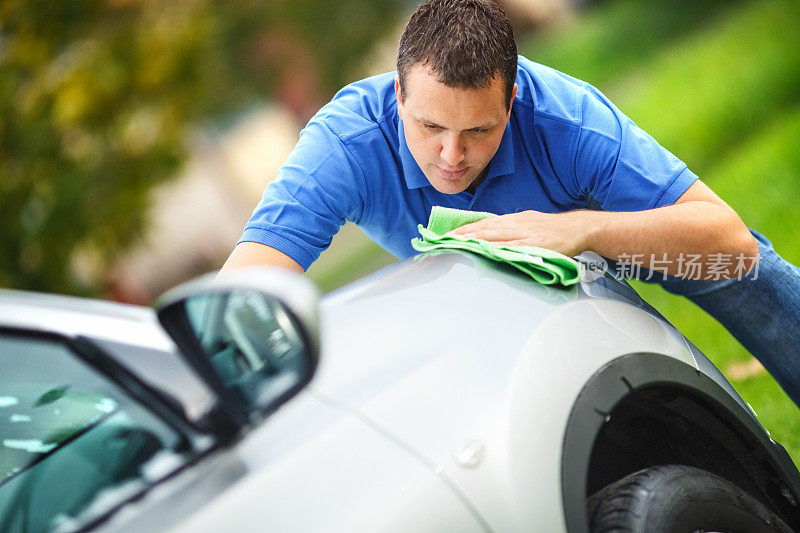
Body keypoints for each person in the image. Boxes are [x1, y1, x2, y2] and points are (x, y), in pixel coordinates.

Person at [220, 0, 800, 408]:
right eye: (430, 126)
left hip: (596, 241)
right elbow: (240, 293)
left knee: (737, 270)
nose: (451, 154)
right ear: (398, 95)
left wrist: (578, 231)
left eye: (479, 130)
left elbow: (727, 240)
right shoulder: (343, 146)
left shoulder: (563, 118)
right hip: (472, 291)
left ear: (512, 100)